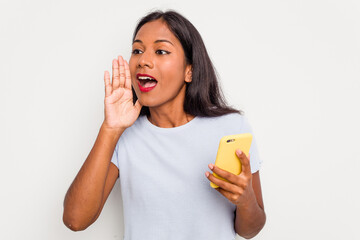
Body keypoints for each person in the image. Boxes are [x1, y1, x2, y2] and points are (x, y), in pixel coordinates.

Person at [63, 10, 266, 240]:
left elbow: (250, 230)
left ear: (189, 70)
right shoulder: (124, 135)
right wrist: (110, 129)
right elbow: (75, 220)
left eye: (161, 51)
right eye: (137, 51)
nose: (143, 61)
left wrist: (245, 199)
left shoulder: (231, 127)